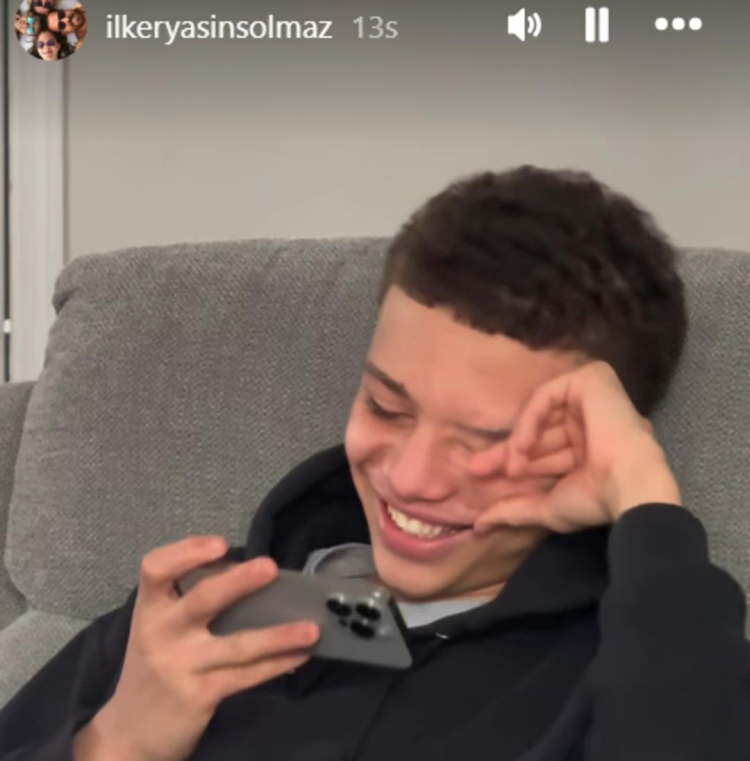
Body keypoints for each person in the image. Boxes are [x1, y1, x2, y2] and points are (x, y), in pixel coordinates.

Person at [0, 167, 748, 761]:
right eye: (388, 407)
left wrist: (647, 505)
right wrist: (118, 744)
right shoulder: (192, 613)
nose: (412, 479)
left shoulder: (649, 665)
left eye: (488, 440)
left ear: (593, 445)